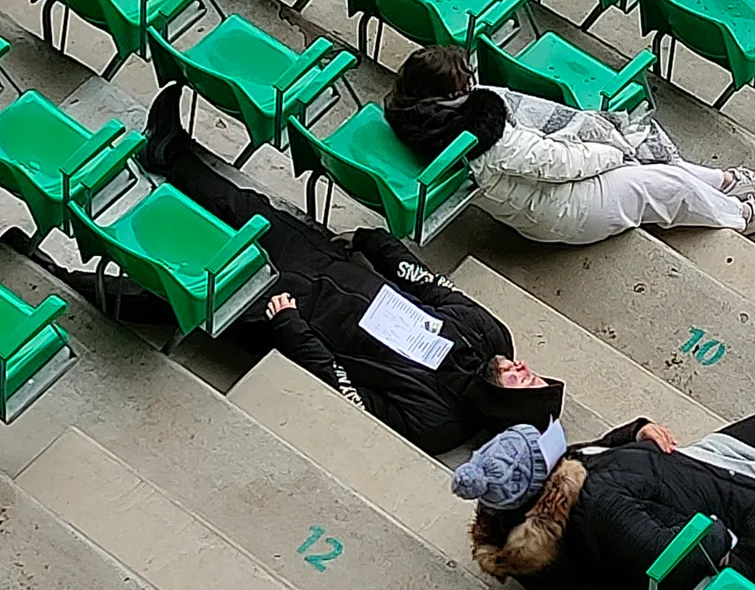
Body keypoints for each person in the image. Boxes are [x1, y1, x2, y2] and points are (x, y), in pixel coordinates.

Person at [3, 85, 530, 456]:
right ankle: (171, 154)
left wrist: (291, 329)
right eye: (529, 374)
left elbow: (346, 390)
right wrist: (379, 244)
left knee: (174, 295)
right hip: (331, 269)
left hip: (293, 314)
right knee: (249, 207)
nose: (520, 370)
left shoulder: (437, 423)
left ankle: (57, 274)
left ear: (498, 411)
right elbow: (433, 290)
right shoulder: (491, 337)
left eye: (520, 386)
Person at [451, 411, 755, 590]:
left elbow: (595, 450)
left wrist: (637, 431)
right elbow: (676, 555)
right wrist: (719, 530)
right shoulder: (603, 508)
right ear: (540, 482)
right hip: (738, 511)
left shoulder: (554, 490)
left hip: (695, 469)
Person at [384, 46, 755, 246]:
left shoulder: (419, 118)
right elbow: (560, 163)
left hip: (546, 193)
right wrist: (614, 151)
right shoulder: (483, 139)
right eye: (465, 83)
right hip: (562, 210)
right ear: (447, 94)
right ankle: (739, 214)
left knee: (654, 171)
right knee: (658, 184)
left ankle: (727, 182)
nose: (474, 85)